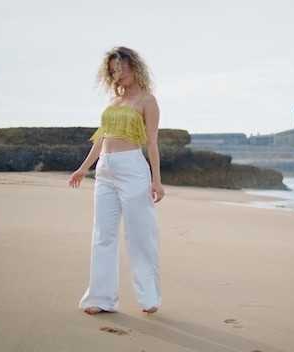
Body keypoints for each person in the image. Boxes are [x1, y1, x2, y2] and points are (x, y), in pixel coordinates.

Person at [69, 46, 164, 315]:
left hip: (133, 169)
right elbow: (102, 139)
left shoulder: (147, 100)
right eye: (113, 71)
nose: (117, 75)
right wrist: (83, 168)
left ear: (134, 67)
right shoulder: (112, 102)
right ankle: (101, 298)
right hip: (105, 171)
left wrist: (157, 181)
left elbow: (153, 144)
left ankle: (149, 297)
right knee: (102, 235)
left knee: (139, 235)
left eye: (121, 68)